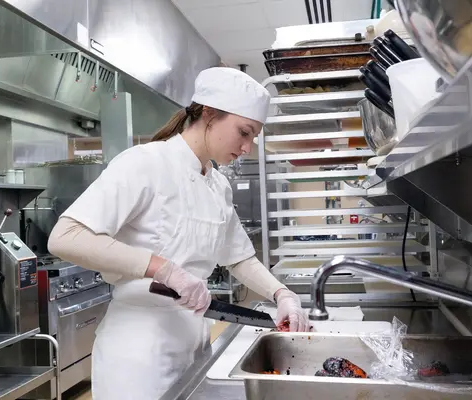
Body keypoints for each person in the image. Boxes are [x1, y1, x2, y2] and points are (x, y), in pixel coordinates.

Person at [47, 67, 309, 399]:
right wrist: (164, 269)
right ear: (210, 114)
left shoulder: (217, 185)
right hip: (138, 353)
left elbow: (239, 257)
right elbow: (66, 236)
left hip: (195, 344)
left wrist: (282, 295)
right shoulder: (144, 164)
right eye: (244, 132)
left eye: (253, 136)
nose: (247, 147)